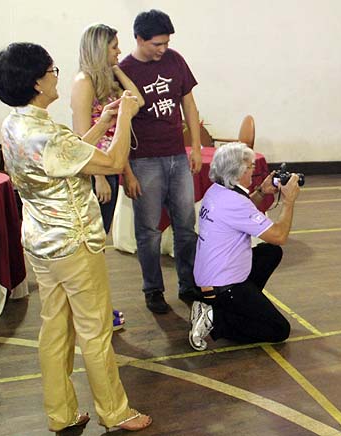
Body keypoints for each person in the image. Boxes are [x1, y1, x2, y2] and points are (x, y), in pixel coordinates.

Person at [0, 43, 151, 432]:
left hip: (42, 242)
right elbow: (113, 162)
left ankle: (61, 412)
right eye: (52, 71)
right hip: (74, 243)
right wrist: (124, 117)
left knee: (55, 328)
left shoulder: (14, 124)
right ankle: (115, 411)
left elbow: (71, 155)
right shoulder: (48, 136)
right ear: (37, 82)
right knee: (95, 331)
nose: (56, 77)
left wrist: (103, 121)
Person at [119, 9, 203, 313]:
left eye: (166, 43)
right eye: (157, 44)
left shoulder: (175, 60)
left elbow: (189, 105)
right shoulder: (124, 71)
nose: (163, 49)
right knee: (149, 232)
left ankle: (188, 284)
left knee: (186, 226)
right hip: (143, 161)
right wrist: (127, 171)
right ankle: (153, 289)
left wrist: (195, 146)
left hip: (177, 156)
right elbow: (118, 128)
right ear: (139, 38)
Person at [189, 143, 300, 351]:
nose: (253, 171)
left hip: (210, 276)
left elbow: (242, 213)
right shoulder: (235, 203)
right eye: (250, 167)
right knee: (279, 330)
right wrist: (288, 201)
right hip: (223, 286)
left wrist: (262, 191)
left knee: (270, 253)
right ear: (238, 172)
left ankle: (239, 306)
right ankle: (216, 318)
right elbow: (279, 236)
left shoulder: (217, 191)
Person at [71, 23, 146, 331]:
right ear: (99, 48)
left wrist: (116, 70)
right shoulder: (84, 82)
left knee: (99, 243)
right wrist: (98, 177)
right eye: (114, 47)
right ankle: (92, 310)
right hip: (95, 173)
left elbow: (137, 102)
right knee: (93, 244)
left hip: (111, 168)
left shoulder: (107, 82)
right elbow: (81, 136)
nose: (119, 51)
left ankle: (97, 306)